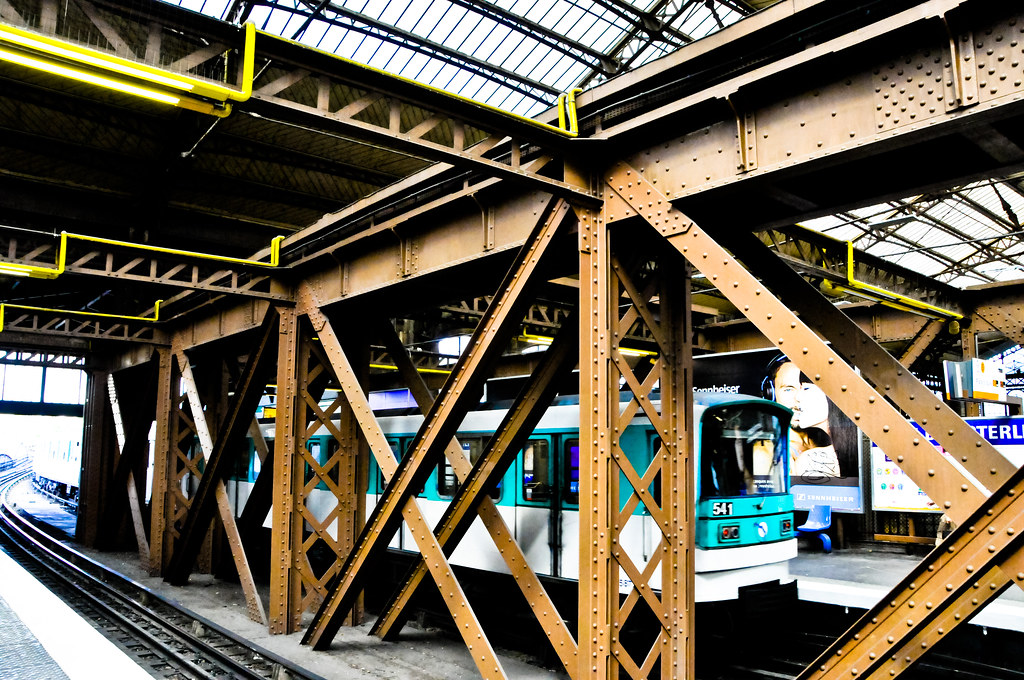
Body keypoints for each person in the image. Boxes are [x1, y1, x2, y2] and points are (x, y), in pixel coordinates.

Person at [762, 355, 843, 478]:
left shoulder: (835, 441)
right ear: (771, 395)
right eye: (788, 390)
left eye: (805, 389)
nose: (798, 398)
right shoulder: (770, 450)